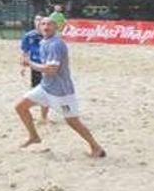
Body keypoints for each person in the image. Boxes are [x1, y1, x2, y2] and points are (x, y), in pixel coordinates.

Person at [15, 17, 105, 157]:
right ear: (38, 27)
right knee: (20, 107)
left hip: (61, 92)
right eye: (43, 24)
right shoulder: (44, 41)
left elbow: (52, 70)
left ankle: (96, 147)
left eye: (50, 24)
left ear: (56, 27)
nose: (46, 26)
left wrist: (30, 64)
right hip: (45, 88)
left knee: (73, 122)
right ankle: (34, 137)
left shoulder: (56, 44)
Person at [19, 15, 50, 124]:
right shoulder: (29, 36)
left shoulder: (50, 36)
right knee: (36, 91)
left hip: (47, 67)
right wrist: (23, 66)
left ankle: (44, 117)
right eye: (36, 20)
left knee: (46, 91)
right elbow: (25, 52)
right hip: (35, 67)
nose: (38, 22)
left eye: (40, 21)